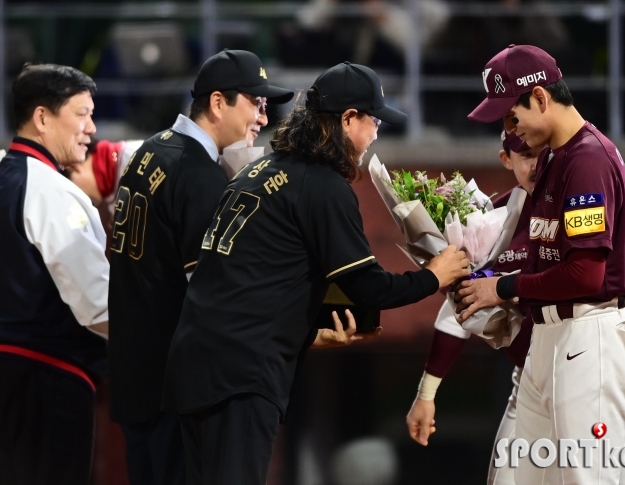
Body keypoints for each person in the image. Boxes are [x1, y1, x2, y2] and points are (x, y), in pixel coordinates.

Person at [162, 61, 471, 485]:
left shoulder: (259, 169)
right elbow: (367, 288)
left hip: (198, 364)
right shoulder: (321, 185)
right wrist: (435, 275)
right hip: (240, 377)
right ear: (348, 119)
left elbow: (251, 282)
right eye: (374, 119)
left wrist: (308, 332)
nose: (377, 132)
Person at [406, 131, 625, 484]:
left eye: (543, 154)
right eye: (525, 155)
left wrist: (617, 350)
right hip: (534, 374)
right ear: (507, 160)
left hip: (602, 368)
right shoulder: (492, 222)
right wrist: (427, 393)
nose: (536, 164)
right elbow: (462, 306)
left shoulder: (597, 198)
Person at [453, 44, 625, 484]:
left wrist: (503, 288)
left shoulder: (587, 160)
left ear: (543, 98)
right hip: (550, 337)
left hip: (589, 334)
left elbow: (584, 274)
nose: (512, 130)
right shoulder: (558, 160)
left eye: (513, 117)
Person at [107, 50, 294, 485]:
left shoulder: (150, 150)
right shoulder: (198, 176)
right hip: (174, 391)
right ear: (217, 103)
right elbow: (215, 296)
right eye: (257, 104)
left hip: (135, 377)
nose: (263, 119)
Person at [0, 64, 109, 484]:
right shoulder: (52, 190)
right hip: (46, 381)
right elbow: (99, 308)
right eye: (81, 114)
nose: (91, 127)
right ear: (42, 118)